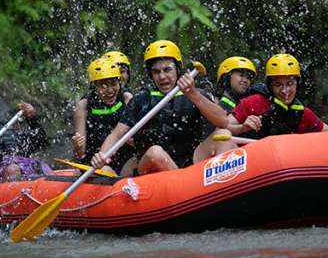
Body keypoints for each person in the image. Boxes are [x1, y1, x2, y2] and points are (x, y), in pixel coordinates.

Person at [91, 40, 228, 175]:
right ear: (151, 74)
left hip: (191, 161)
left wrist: (192, 94)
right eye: (156, 72)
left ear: (177, 69)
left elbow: (223, 122)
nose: (162, 76)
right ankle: (184, 185)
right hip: (152, 166)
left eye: (167, 70)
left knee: (223, 136)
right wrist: (101, 155)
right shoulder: (141, 99)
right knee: (155, 153)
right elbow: (117, 134)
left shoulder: (196, 93)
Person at [229, 54, 328, 169]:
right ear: (270, 85)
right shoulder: (253, 102)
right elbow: (223, 127)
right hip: (248, 164)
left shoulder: (300, 113)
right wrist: (242, 127)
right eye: (278, 85)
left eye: (290, 83)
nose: (285, 91)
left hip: (281, 169)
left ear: (297, 83)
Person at [72, 58, 134, 175]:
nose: (110, 90)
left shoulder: (127, 98)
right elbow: (80, 154)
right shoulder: (84, 105)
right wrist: (77, 146)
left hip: (125, 161)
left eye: (114, 84)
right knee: (86, 172)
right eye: (103, 85)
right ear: (94, 86)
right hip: (95, 162)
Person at [194, 56, 258, 160]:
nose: (245, 80)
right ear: (226, 76)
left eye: (248, 78)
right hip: (203, 153)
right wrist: (242, 128)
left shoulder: (246, 105)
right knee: (224, 134)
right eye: (241, 75)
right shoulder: (209, 98)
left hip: (232, 155)